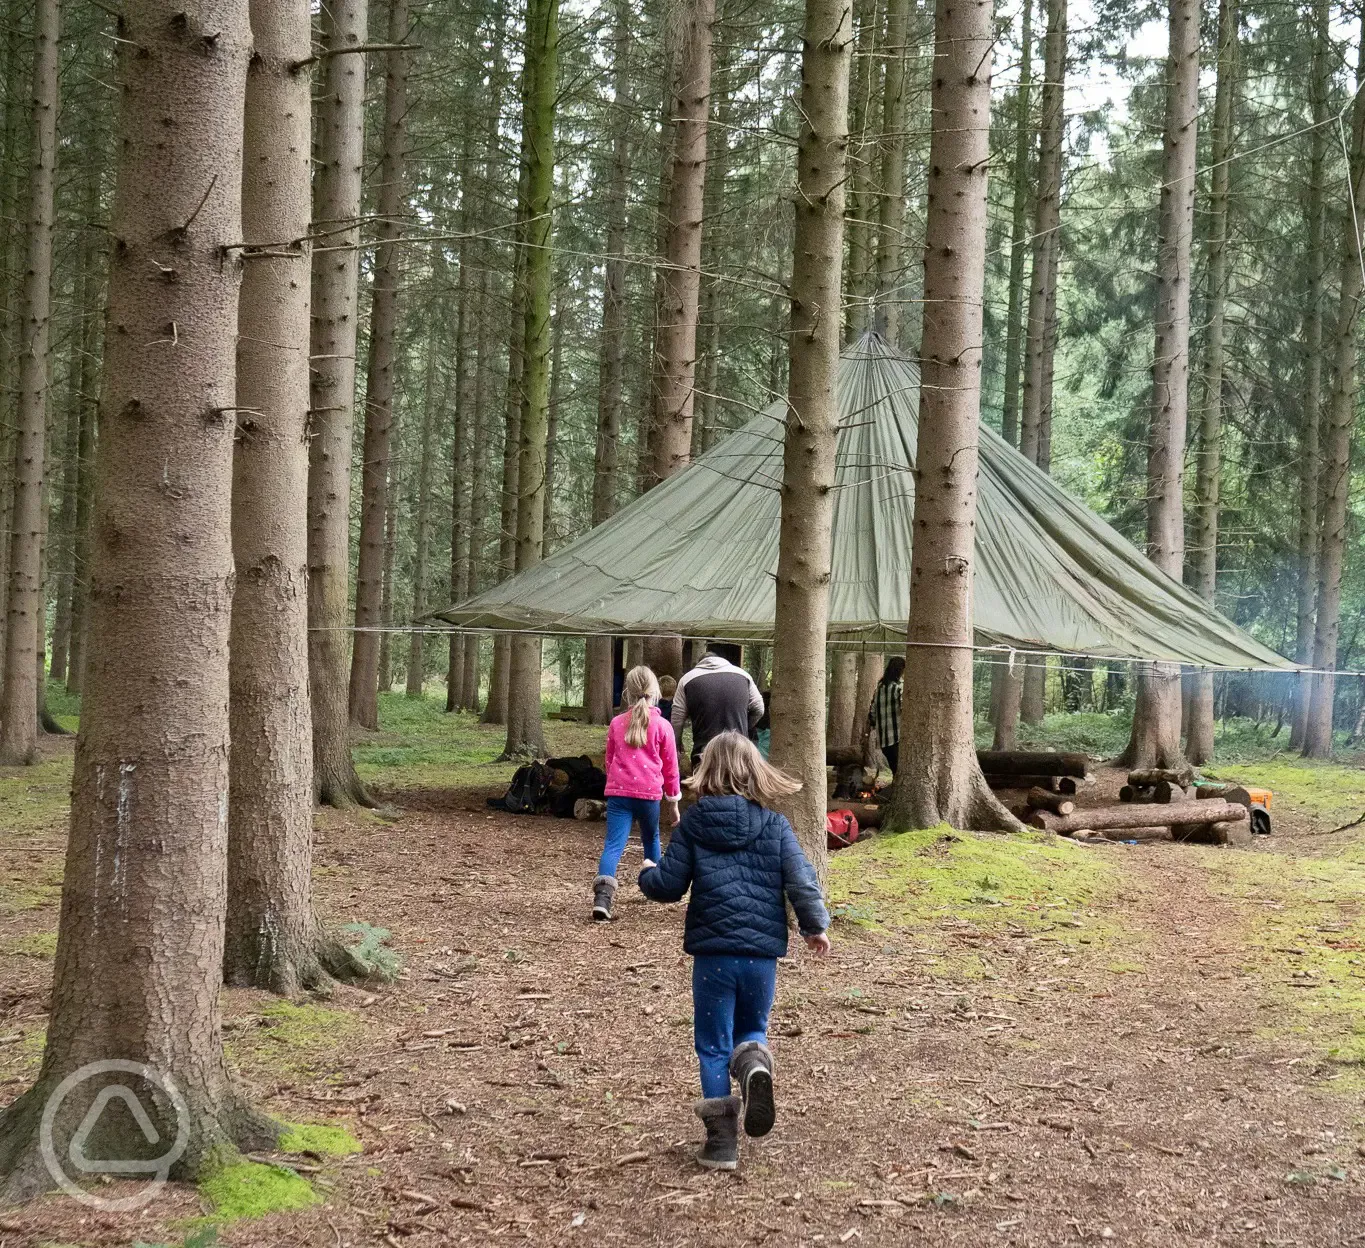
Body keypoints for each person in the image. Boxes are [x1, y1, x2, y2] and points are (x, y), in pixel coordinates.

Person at [637, 731, 830, 1171]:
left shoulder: (694, 824)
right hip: (761, 956)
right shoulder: (775, 825)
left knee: (712, 1046)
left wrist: (646, 873)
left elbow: (668, 886)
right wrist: (814, 927)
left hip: (713, 957)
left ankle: (722, 1144)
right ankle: (755, 1069)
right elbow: (801, 881)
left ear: (709, 770)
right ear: (754, 771)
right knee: (752, 1029)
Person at [595, 665, 681, 922]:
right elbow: (671, 767)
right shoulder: (663, 726)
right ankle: (654, 888)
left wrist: (618, 780)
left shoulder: (616, 723)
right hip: (649, 796)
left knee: (613, 845)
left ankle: (602, 898)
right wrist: (674, 801)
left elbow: (608, 761)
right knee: (651, 839)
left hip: (619, 795)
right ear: (655, 692)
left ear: (627, 693)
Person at [671, 642, 765, 764]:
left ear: (699, 663)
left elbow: (677, 718)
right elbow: (759, 708)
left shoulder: (687, 679)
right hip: (738, 747)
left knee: (704, 782)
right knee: (738, 782)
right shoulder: (743, 675)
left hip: (704, 750)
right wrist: (745, 727)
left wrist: (677, 744)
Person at [867, 655, 905, 776]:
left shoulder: (880, 688)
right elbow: (904, 708)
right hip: (897, 737)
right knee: (900, 772)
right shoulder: (899, 687)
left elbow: (872, 713)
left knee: (895, 771)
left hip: (883, 740)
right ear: (901, 670)